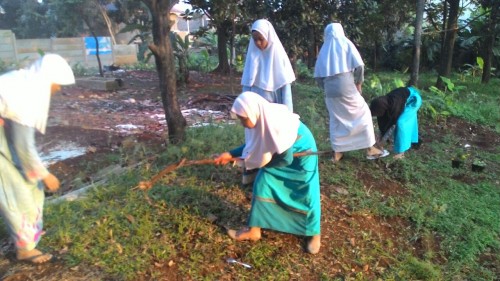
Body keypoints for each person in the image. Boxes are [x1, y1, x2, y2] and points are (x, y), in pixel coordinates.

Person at [214, 91, 321, 254]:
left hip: (302, 154)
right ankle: (254, 230)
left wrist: (256, 163)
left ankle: (313, 232)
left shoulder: (275, 123)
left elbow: (284, 159)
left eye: (243, 119)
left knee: (305, 190)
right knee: (263, 182)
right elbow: (254, 146)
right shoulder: (261, 119)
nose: (242, 123)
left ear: (252, 112)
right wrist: (230, 154)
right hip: (283, 154)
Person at [0, 54, 75, 264]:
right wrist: (44, 174)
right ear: (46, 79)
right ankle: (24, 249)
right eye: (56, 84)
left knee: (20, 181)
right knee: (16, 189)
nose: (58, 89)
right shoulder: (27, 95)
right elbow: (24, 147)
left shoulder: (21, 81)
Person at [314, 23, 388, 162]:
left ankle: (338, 152)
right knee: (363, 114)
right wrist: (358, 83)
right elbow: (359, 65)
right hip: (346, 86)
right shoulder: (345, 43)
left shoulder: (324, 49)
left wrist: (326, 88)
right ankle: (370, 149)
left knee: (336, 119)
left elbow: (318, 76)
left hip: (330, 91)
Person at [241, 19, 296, 112]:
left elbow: (286, 92)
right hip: (256, 112)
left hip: (274, 113)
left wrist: (288, 116)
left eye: (261, 39)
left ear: (268, 37)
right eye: (255, 40)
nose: (258, 43)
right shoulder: (252, 57)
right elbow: (247, 86)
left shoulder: (279, 59)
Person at [369, 86, 422, 159]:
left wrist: (381, 143)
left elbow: (391, 127)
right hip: (403, 98)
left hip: (413, 100)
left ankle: (401, 153)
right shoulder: (382, 103)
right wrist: (380, 138)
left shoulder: (394, 109)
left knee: (401, 123)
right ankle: (414, 141)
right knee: (396, 122)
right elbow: (382, 124)